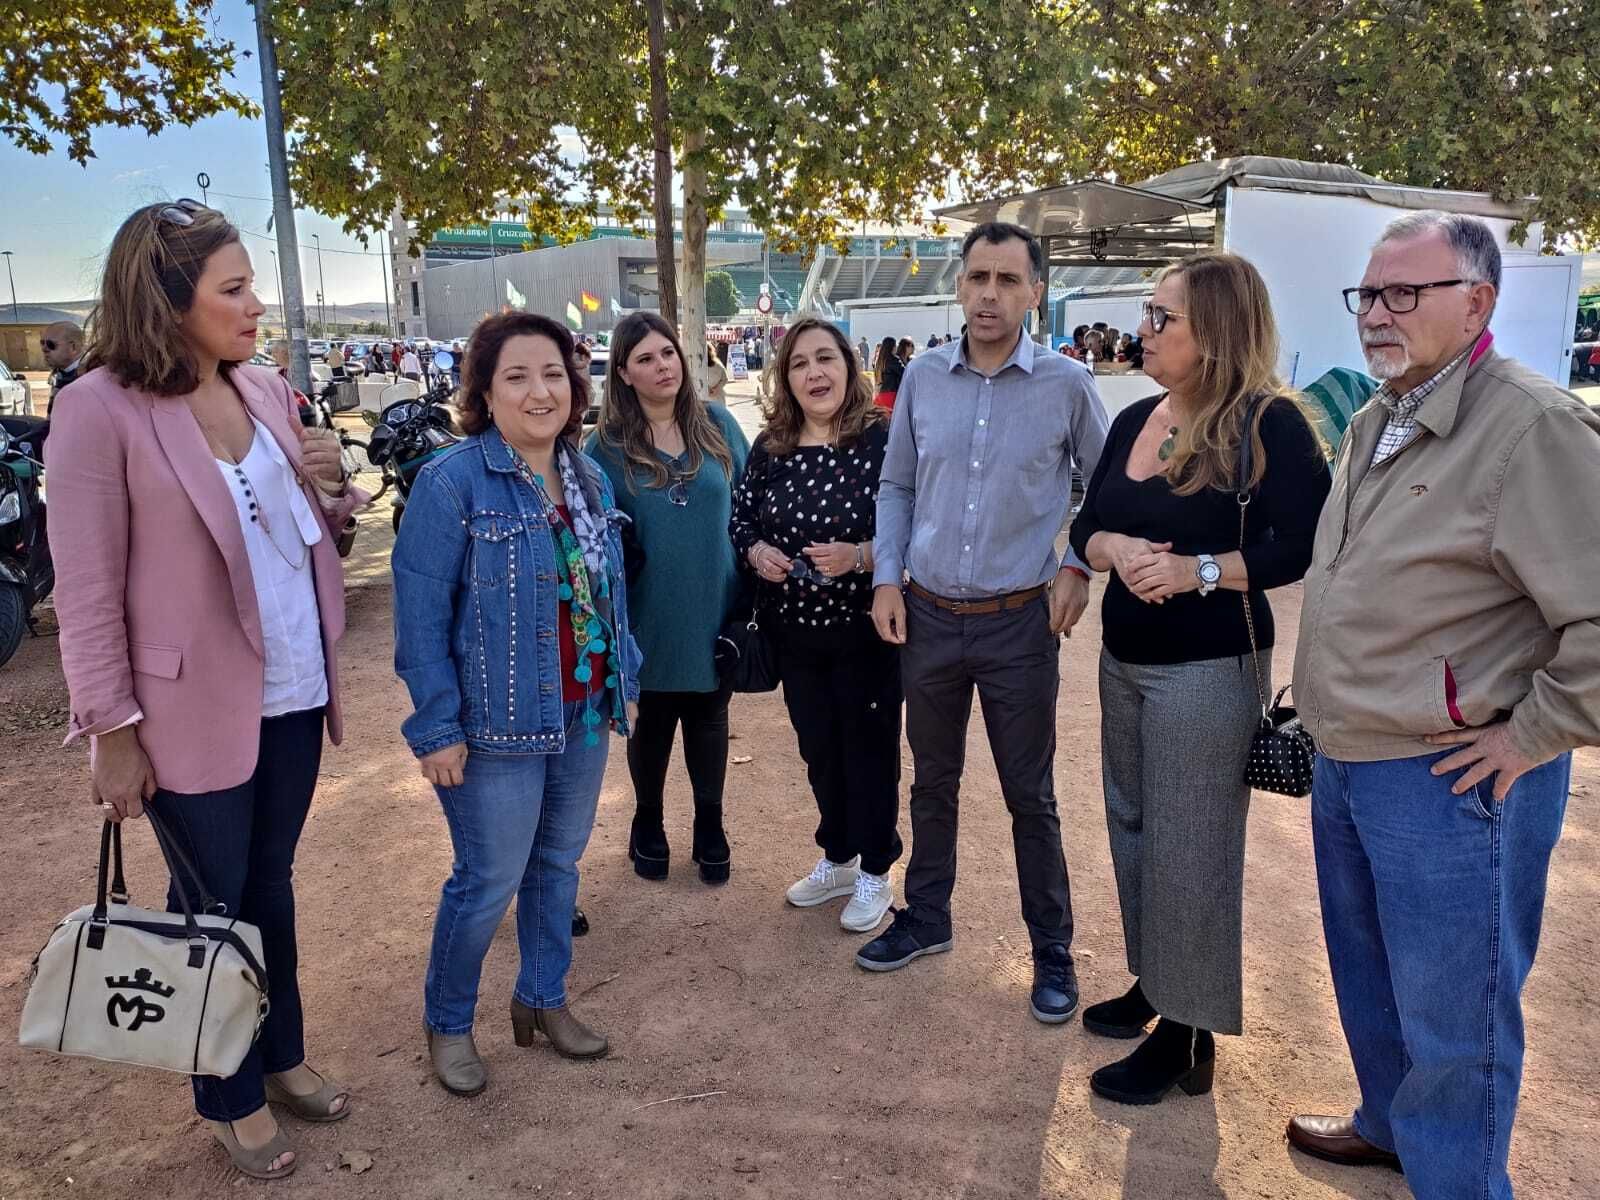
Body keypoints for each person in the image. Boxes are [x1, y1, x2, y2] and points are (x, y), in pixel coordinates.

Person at [48, 200, 366, 1180]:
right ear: (168, 299)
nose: (256, 304)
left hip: (296, 688)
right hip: (183, 709)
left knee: (268, 886)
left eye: (251, 284)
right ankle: (226, 1095)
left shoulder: (265, 388)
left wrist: (333, 485)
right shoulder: (97, 407)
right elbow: (89, 591)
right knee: (210, 906)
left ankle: (282, 1055)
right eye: (234, 289)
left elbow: (316, 535)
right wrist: (110, 730)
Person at [1287, 211, 1600, 1197]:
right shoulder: (1383, 413)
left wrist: (1531, 735)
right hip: (1353, 759)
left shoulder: (1533, 426)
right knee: (1372, 979)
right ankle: (1388, 1126)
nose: (1377, 314)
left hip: (1449, 780)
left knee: (1456, 1018)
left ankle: (1457, 1182)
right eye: (1369, 294)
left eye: (1403, 294)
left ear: (1479, 302)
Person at [1068, 253, 1330, 1105]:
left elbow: (1303, 540)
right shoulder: (1136, 416)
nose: (1141, 330)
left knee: (1192, 848)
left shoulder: (1268, 424)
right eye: (1147, 315)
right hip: (1124, 661)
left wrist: (1200, 573)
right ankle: (1158, 984)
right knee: (1134, 825)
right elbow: (1088, 526)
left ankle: (1188, 1033)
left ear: (1214, 330)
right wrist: (1110, 551)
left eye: (1160, 318)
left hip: (1209, 670)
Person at [862, 221, 1109, 1025]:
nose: (990, 295)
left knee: (1028, 794)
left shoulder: (1068, 386)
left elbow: (1104, 491)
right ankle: (927, 918)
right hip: (928, 615)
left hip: (1018, 626)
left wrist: (1076, 565)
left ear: (1036, 291)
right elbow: (896, 487)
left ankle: (1052, 952)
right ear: (959, 286)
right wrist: (889, 579)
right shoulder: (925, 379)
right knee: (931, 780)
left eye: (1009, 279)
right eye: (978, 278)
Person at [393, 310, 641, 1098]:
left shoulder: (588, 476)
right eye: (518, 376)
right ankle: (449, 1022)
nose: (542, 391)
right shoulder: (452, 482)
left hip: (582, 713)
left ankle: (542, 999)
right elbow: (421, 616)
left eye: (555, 375)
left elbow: (606, 595)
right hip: (493, 724)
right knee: (487, 878)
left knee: (558, 867)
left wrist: (619, 679)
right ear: (485, 393)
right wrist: (436, 728)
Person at [729, 316, 901, 933]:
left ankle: (878, 869)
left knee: (869, 749)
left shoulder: (880, 439)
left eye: (824, 358)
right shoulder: (771, 445)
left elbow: (915, 524)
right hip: (793, 633)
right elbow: (741, 519)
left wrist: (860, 555)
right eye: (799, 363)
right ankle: (840, 857)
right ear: (786, 376)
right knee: (819, 750)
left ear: (847, 366)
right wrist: (756, 553)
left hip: (865, 631)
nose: (813, 373)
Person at [585, 311, 749, 884]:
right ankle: (647, 822)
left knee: (709, 717)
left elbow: (749, 511)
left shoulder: (720, 426)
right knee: (650, 723)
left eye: (668, 354)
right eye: (645, 359)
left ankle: (710, 825)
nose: (662, 367)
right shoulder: (603, 447)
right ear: (624, 374)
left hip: (713, 605)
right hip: (645, 610)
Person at [42, 319, 84, 415]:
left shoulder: (88, 376)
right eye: (42, 343)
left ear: (73, 347)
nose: (44, 349)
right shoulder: (61, 374)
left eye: (50, 344)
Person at [871, 336, 903, 410]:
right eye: (895, 345)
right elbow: (905, 373)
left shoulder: (880, 361)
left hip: (881, 396)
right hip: (892, 397)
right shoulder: (894, 361)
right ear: (892, 347)